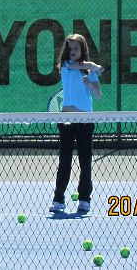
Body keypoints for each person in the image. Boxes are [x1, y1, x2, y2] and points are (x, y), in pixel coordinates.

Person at [49, 33, 102, 214]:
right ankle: (58, 199)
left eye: (76, 48)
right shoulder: (65, 65)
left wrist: (90, 84)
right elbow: (79, 64)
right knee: (64, 162)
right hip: (67, 120)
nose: (72, 51)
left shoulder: (90, 72)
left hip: (86, 121)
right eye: (70, 48)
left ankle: (84, 199)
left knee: (85, 162)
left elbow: (97, 95)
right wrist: (93, 65)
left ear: (82, 49)